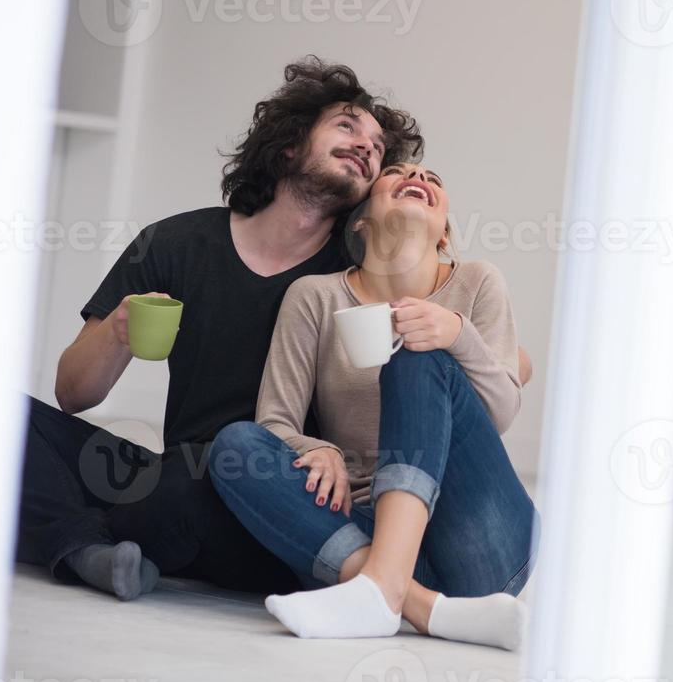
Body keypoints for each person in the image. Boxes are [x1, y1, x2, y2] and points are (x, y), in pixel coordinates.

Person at [14, 57, 423, 600]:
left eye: (377, 147)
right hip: (174, 476)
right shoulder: (174, 243)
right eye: (347, 126)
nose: (367, 146)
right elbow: (72, 394)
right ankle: (86, 547)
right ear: (289, 144)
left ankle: (82, 538)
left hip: (282, 494)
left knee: (188, 482)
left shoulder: (360, 275)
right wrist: (117, 330)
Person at [208, 161, 537, 649]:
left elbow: (502, 412)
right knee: (233, 447)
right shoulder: (314, 297)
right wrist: (318, 448)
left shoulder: (478, 282)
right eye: (399, 174)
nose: (419, 179)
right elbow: (274, 420)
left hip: (477, 540)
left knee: (415, 360)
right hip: (361, 532)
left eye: (434, 180)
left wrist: (456, 334)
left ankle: (381, 590)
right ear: (360, 222)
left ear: (444, 232)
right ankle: (414, 602)